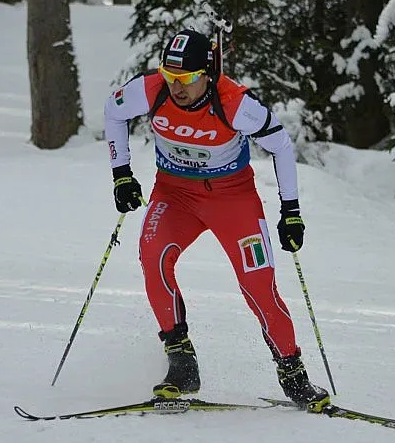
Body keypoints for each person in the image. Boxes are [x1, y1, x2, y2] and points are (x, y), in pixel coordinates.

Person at [103, 28, 331, 412]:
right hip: (174, 194)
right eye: (172, 77)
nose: (177, 88)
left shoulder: (236, 104)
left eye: (187, 79)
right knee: (152, 256)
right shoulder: (152, 89)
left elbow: (280, 144)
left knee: (258, 285)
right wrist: (121, 173)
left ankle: (293, 374)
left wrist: (290, 211)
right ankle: (181, 363)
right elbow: (113, 110)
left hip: (232, 199)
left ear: (206, 73)